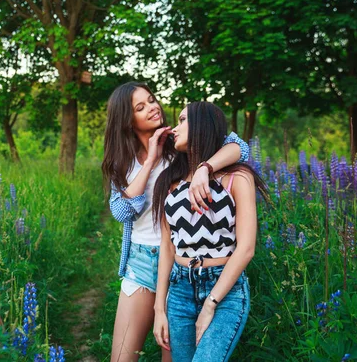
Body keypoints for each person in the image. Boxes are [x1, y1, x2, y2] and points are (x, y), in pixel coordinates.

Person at [101, 83, 250, 361]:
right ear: (126, 119)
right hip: (143, 263)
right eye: (140, 107)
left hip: (183, 264)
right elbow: (122, 211)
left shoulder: (181, 140)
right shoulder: (122, 161)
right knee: (122, 357)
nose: (153, 107)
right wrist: (150, 163)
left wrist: (206, 168)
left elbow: (240, 147)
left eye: (152, 100)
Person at [152, 101, 267, 362]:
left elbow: (246, 248)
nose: (174, 129)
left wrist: (211, 303)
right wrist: (160, 309)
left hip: (224, 290)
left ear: (202, 124)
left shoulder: (237, 177)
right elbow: (167, 246)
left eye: (183, 121)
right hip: (180, 290)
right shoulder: (169, 183)